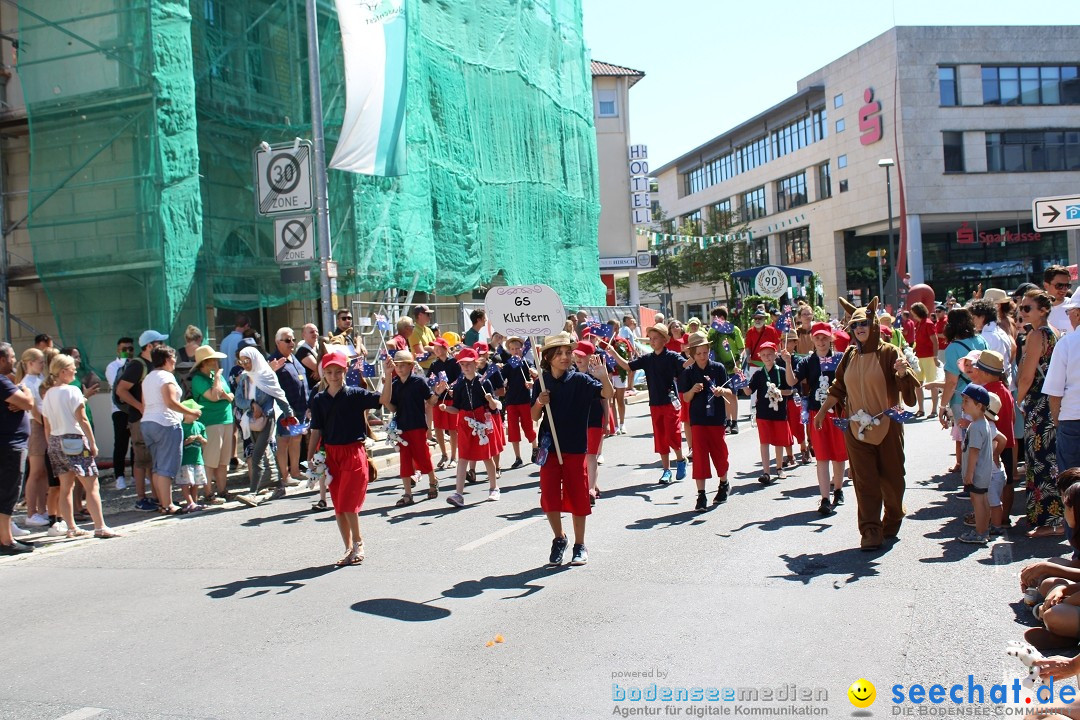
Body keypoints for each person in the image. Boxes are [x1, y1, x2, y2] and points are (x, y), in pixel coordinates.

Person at [815, 297, 921, 551]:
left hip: (888, 424)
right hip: (856, 427)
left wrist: (902, 373)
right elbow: (838, 386)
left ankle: (893, 515)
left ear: (872, 324)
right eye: (855, 325)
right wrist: (822, 412)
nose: (859, 328)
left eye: (863, 323)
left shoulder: (889, 352)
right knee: (865, 481)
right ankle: (870, 530)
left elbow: (905, 389)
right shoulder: (849, 355)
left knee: (893, 480)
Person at [532, 332, 612, 566]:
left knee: (578, 497)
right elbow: (533, 416)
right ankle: (559, 539)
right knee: (548, 496)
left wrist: (603, 377)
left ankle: (580, 544)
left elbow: (605, 393)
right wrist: (539, 402)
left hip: (576, 448)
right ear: (547, 357)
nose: (565, 357)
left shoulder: (580, 380)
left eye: (568, 352)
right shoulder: (542, 382)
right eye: (559, 353)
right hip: (550, 448)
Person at [308, 352, 383, 566]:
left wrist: (387, 374)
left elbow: (383, 399)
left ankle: (359, 543)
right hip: (331, 455)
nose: (333, 376)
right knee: (339, 506)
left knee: (349, 503)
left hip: (353, 452)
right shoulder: (319, 400)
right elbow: (316, 430)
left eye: (338, 371)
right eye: (329, 372)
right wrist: (310, 455)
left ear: (345, 371)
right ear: (324, 374)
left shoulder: (356, 394)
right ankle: (348, 548)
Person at [39, 354, 119, 538]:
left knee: (66, 486)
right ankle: (100, 526)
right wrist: (92, 442)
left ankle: (71, 528)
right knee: (91, 484)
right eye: (72, 367)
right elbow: (82, 418)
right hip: (74, 439)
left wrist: (51, 444)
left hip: (55, 440)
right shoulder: (73, 391)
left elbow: (47, 424)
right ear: (63, 371)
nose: (75, 369)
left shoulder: (48, 393)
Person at [609, 323, 687, 484]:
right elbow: (627, 366)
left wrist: (693, 352)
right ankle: (666, 471)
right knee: (660, 438)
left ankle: (680, 460)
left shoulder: (672, 357)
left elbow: (685, 365)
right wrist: (614, 353)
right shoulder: (647, 359)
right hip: (655, 404)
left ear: (665, 340)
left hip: (670, 402)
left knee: (673, 434)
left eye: (656, 338)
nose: (652, 341)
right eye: (650, 338)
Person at [785, 322, 848, 515]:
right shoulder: (806, 362)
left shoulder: (840, 359)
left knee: (838, 454)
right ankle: (824, 498)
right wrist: (788, 362)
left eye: (824, 337)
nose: (821, 341)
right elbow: (792, 382)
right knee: (821, 456)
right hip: (816, 412)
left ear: (831, 339)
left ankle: (838, 489)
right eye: (817, 337)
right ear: (812, 339)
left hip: (838, 411)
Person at [1018, 289, 1062, 537]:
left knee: (1041, 460)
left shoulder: (1036, 335)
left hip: (1039, 402)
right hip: (1053, 400)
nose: (1022, 311)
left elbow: (1027, 375)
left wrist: (1018, 399)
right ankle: (1057, 519)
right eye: (1021, 307)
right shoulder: (1054, 332)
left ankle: (1048, 522)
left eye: (1027, 308)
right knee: (1052, 459)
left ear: (1043, 310)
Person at [678, 331, 736, 511]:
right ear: (692, 354)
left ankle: (724, 483)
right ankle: (701, 495)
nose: (703, 356)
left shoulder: (717, 368)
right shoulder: (688, 372)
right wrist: (693, 390)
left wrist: (721, 390)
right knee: (700, 457)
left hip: (716, 418)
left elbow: (731, 392)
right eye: (699, 354)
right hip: (698, 420)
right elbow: (685, 398)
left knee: (720, 453)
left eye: (705, 352)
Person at [140, 346, 202, 514]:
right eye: (173, 358)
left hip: (148, 422)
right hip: (166, 423)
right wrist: (191, 412)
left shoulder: (148, 378)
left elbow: (144, 404)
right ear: (167, 360)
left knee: (158, 466)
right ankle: (168, 505)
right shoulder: (166, 377)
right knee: (166, 468)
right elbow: (170, 402)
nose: (175, 361)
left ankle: (162, 503)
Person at [232, 347, 294, 507]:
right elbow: (238, 399)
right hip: (251, 420)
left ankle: (253, 493)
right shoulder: (245, 378)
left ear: (255, 359)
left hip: (268, 419)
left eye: (247, 361)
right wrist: (251, 405)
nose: (245, 364)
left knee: (257, 454)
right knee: (268, 454)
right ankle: (279, 486)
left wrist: (289, 414)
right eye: (242, 361)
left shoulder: (267, 375)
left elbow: (279, 395)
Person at [114, 330, 168, 511]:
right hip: (139, 420)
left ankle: (157, 497)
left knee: (153, 460)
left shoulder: (153, 364)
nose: (164, 346)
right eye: (160, 342)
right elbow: (121, 390)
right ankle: (141, 498)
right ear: (150, 346)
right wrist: (139, 406)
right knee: (142, 460)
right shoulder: (138, 365)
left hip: (153, 418)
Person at [963, 350, 1017, 529]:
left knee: (987, 487)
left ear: (985, 373)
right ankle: (1005, 517)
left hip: (991, 444)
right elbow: (1014, 417)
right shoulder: (1006, 390)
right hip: (1008, 441)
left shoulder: (985, 393)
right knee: (1008, 482)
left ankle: (989, 521)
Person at [444, 348, 502, 507]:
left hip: (482, 420)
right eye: (462, 364)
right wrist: (446, 409)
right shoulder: (459, 385)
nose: (465, 367)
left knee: (486, 456)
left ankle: (494, 488)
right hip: (464, 421)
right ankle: (459, 494)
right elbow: (456, 408)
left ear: (476, 364)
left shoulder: (484, 382)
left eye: (468, 364)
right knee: (462, 457)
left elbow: (493, 407)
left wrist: (490, 399)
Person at [381, 350, 441, 506]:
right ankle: (408, 493)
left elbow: (431, 401)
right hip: (401, 428)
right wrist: (386, 401)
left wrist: (438, 392)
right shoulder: (393, 384)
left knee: (423, 456)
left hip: (418, 425)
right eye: (397, 365)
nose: (399, 369)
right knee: (405, 460)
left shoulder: (419, 381)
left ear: (411, 366)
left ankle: (433, 481)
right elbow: (393, 408)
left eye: (403, 365)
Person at [937, 308, 988, 473]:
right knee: (984, 435)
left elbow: (952, 382)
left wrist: (942, 406)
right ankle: (985, 472)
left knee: (967, 437)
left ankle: (970, 476)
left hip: (962, 398)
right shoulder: (981, 340)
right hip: (983, 393)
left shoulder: (953, 348)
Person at [957, 384, 1006, 545]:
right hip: (984, 472)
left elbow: (974, 452)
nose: (963, 404)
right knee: (984, 501)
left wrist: (969, 473)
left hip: (977, 472)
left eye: (966, 401)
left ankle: (980, 532)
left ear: (979, 405)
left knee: (978, 501)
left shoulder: (976, 426)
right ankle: (983, 530)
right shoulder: (984, 423)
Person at [188, 345, 234, 504]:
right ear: (203, 363)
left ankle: (222, 490)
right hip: (210, 421)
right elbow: (215, 396)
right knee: (210, 459)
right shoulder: (199, 379)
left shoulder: (217, 375)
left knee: (223, 460)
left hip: (227, 419)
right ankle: (209, 493)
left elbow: (229, 395)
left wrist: (224, 395)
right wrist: (218, 384)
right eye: (211, 360)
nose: (215, 362)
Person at [743, 342, 793, 484]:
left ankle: (779, 468)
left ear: (775, 354)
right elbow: (748, 391)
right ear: (759, 357)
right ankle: (766, 472)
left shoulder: (782, 371)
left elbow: (790, 390)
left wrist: (778, 392)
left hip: (779, 412)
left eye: (769, 354)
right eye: (763, 355)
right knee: (764, 442)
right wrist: (741, 381)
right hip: (763, 413)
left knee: (779, 441)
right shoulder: (759, 373)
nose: (767, 357)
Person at [0, 343, 34, 554]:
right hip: (10, 445)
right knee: (8, 493)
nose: (15, 361)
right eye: (12, 357)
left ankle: (6, 537)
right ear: (2, 360)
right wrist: (25, 392)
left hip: (9, 444)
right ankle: (5, 541)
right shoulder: (3, 382)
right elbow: (28, 403)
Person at [270, 327, 309, 489]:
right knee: (284, 440)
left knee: (296, 438)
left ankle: (295, 470)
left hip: (300, 408)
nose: (291, 343)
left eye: (293, 340)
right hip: (285, 410)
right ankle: (284, 475)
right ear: (278, 342)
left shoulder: (293, 358)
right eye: (287, 340)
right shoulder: (273, 361)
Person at [1046, 295, 1080, 480]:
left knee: (1071, 484)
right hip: (1071, 419)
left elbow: (1054, 392)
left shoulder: (1067, 343)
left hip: (1072, 419)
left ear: (1077, 314)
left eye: (1069, 312)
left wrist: (1058, 423)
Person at [570, 341, 608, 504]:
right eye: (576, 355)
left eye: (582, 355)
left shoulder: (596, 374)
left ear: (590, 357)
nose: (578, 358)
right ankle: (592, 483)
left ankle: (590, 490)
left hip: (593, 419)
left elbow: (605, 398)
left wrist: (606, 421)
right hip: (576, 421)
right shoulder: (570, 374)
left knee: (591, 455)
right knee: (581, 456)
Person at [706, 306, 744, 435]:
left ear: (722, 318)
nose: (714, 320)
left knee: (733, 394)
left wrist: (737, 364)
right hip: (719, 368)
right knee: (723, 394)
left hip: (733, 367)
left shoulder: (734, 330)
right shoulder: (712, 331)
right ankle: (727, 421)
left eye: (715, 318)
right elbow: (708, 347)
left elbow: (741, 348)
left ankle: (735, 422)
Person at [501, 336, 538, 466]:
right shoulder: (508, 365)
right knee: (513, 429)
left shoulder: (527, 362)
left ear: (522, 348)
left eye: (517, 348)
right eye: (512, 349)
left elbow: (535, 374)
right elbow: (501, 379)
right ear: (509, 350)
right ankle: (518, 457)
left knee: (527, 425)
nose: (515, 351)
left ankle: (535, 447)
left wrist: (532, 378)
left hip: (525, 399)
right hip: (511, 400)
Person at [104, 337, 134, 490]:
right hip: (119, 409)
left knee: (136, 442)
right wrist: (125, 365)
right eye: (124, 349)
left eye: (130, 349)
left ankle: (136, 474)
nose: (127, 352)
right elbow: (117, 385)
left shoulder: (136, 364)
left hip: (134, 407)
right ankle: (120, 477)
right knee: (121, 443)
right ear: (118, 350)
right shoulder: (113, 366)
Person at [428, 337, 460, 469]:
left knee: (453, 429)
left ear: (445, 348)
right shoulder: (434, 365)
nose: (435, 349)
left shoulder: (455, 362)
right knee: (438, 428)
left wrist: (451, 386)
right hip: (438, 399)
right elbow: (429, 379)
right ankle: (444, 454)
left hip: (451, 398)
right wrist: (435, 386)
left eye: (438, 347)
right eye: (434, 347)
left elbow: (460, 378)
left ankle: (454, 457)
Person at [968, 298, 1015, 388]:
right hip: (1005, 382)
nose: (972, 321)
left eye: (973, 318)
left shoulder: (986, 336)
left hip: (994, 385)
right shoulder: (1000, 331)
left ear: (982, 317)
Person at [780, 329, 809, 467]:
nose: (784, 343)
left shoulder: (798, 360)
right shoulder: (778, 360)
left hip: (795, 396)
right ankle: (789, 455)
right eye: (782, 341)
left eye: (789, 341)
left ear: (795, 343)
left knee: (797, 425)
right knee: (785, 427)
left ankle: (804, 450)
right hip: (781, 397)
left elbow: (802, 379)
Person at [909, 302, 939, 418]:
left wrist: (935, 357)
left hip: (929, 358)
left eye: (913, 312)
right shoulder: (920, 323)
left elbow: (935, 342)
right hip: (919, 358)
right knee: (918, 384)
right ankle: (921, 409)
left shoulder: (928, 323)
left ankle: (934, 410)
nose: (912, 315)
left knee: (932, 384)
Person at [177, 399, 208, 513]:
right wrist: (187, 441)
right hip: (185, 460)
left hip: (197, 459)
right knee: (186, 482)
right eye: (195, 410)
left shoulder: (200, 425)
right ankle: (189, 502)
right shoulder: (181, 427)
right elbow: (177, 444)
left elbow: (205, 442)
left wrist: (201, 439)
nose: (199, 412)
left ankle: (194, 502)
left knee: (196, 483)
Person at [743, 308, 782, 375]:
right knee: (755, 385)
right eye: (756, 318)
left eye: (760, 318)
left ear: (765, 319)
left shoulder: (771, 330)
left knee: (771, 384)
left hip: (770, 363)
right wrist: (748, 355)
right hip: (754, 364)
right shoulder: (750, 332)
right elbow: (748, 346)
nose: (757, 320)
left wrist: (778, 356)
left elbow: (777, 344)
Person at [1044, 265, 1074, 336]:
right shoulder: (1036, 308)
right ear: (1046, 285)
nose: (1064, 289)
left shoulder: (1074, 307)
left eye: (1067, 286)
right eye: (1059, 285)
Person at [409, 304, 438, 371]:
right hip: (423, 369)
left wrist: (427, 348)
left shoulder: (428, 329)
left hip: (434, 366)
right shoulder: (414, 331)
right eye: (427, 314)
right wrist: (435, 352)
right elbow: (420, 354)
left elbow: (438, 347)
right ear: (420, 315)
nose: (430, 317)